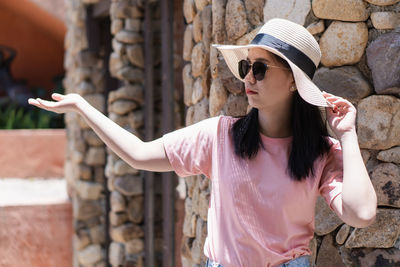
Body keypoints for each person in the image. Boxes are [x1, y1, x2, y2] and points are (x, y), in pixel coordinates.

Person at [28, 18, 377, 267]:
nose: (248, 78)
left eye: (260, 69)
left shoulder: (319, 152)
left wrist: (346, 135)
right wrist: (82, 106)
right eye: (246, 66)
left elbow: (361, 214)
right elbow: (138, 153)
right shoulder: (220, 136)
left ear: (293, 83)